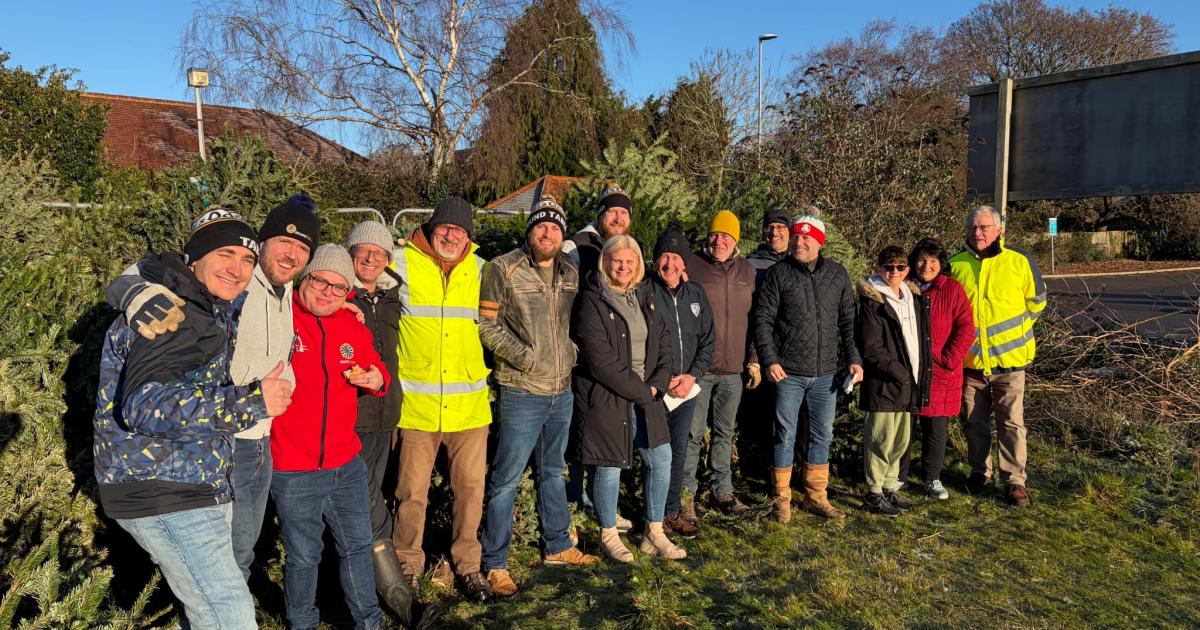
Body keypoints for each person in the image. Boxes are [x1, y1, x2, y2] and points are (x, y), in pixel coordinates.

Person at [93, 209, 291, 628]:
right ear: (195, 258)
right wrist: (252, 403)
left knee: (205, 610)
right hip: (164, 488)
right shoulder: (174, 315)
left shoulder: (203, 306)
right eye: (225, 254)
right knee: (229, 614)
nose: (237, 270)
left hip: (193, 481)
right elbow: (146, 405)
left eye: (246, 259)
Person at [478, 197, 598, 598]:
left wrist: (572, 353)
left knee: (552, 471)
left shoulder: (569, 271)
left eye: (555, 228)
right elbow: (487, 325)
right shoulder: (502, 268)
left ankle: (558, 545)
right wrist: (526, 358)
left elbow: (573, 322)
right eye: (541, 226)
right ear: (530, 230)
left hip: (560, 389)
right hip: (522, 389)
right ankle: (495, 562)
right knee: (506, 478)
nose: (548, 233)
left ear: (563, 235)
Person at [270, 244, 390, 630]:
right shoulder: (280, 317)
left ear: (347, 292)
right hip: (293, 467)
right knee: (304, 556)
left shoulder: (351, 325)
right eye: (320, 280)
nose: (327, 292)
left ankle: (368, 622)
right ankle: (302, 622)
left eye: (339, 287)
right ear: (306, 278)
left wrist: (376, 379)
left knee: (356, 548)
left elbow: (377, 368)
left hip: (345, 464)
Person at [391, 197, 494, 601]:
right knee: (411, 493)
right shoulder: (400, 264)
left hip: (469, 407)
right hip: (416, 408)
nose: (451, 235)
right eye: (444, 229)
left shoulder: (482, 270)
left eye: (460, 230)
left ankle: (468, 567)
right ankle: (407, 566)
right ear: (432, 229)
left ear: (469, 236)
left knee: (470, 490)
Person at [571, 235, 685, 563]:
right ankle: (608, 533)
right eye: (617, 261)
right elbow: (599, 359)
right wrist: (642, 391)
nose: (623, 267)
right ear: (605, 263)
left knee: (660, 459)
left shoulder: (644, 295)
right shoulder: (592, 299)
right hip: (607, 396)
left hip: (647, 394)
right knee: (609, 465)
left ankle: (654, 531)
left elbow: (664, 342)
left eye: (630, 261)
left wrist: (658, 384)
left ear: (637, 265)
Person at [753, 215, 863, 522]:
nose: (799, 243)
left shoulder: (837, 275)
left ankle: (816, 496)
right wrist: (770, 359)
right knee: (784, 435)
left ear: (819, 242)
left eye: (806, 238)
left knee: (822, 435)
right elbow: (762, 320)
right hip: (787, 373)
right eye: (796, 237)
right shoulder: (779, 274)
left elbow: (847, 323)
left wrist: (854, 358)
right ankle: (781, 498)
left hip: (825, 374)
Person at [950, 205, 1046, 507]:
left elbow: (1037, 302)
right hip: (971, 364)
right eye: (973, 227)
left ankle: (1015, 481)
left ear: (999, 230)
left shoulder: (1020, 262)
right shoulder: (955, 265)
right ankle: (980, 472)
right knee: (974, 423)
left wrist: (1014, 333)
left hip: (1010, 362)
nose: (978, 233)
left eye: (984, 227)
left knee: (1012, 424)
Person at [344, 221, 416, 622]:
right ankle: (397, 599)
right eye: (363, 251)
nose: (371, 258)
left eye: (380, 253)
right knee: (368, 504)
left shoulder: (390, 298)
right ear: (351, 252)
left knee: (373, 495)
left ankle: (376, 592)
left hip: (386, 414)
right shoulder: (338, 293)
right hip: (351, 417)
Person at [561, 185, 636, 531]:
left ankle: (593, 504)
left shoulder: (622, 253)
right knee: (582, 435)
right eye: (612, 212)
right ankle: (577, 504)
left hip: (611, 358)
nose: (618, 218)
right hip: (580, 355)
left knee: (599, 435)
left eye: (624, 214)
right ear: (601, 215)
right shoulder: (577, 246)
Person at [683, 210, 757, 517]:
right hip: (698, 369)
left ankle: (722, 491)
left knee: (725, 432)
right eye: (715, 234)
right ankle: (685, 495)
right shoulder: (691, 265)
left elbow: (756, 320)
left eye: (726, 235)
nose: (719, 240)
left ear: (735, 240)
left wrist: (753, 360)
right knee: (692, 433)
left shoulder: (748, 272)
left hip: (733, 370)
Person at [648, 224, 715, 538]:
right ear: (655, 260)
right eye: (664, 256)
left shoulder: (696, 294)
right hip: (654, 391)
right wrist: (660, 381)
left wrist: (692, 376)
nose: (670, 264)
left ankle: (671, 512)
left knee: (677, 451)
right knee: (653, 454)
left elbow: (707, 342)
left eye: (676, 257)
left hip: (686, 391)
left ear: (685, 263)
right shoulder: (644, 292)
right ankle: (651, 516)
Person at [856, 246, 932, 517]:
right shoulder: (873, 301)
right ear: (878, 268)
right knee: (880, 440)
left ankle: (889, 487)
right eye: (888, 267)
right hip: (885, 383)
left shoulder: (912, 297)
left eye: (900, 267)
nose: (894, 272)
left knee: (900, 440)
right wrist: (900, 374)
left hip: (908, 382)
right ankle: (874, 493)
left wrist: (915, 376)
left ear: (907, 270)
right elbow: (871, 348)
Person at [897, 238, 974, 500]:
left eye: (932, 260)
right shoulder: (902, 289)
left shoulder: (952, 289)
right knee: (903, 426)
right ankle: (899, 476)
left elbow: (965, 327)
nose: (926, 265)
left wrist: (949, 359)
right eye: (921, 259)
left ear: (941, 264)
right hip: (908, 370)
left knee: (935, 428)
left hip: (941, 371)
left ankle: (932, 478)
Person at [746, 208, 791, 279]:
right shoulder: (750, 265)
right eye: (770, 227)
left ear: (789, 232)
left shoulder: (799, 263)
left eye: (779, 227)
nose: (774, 232)